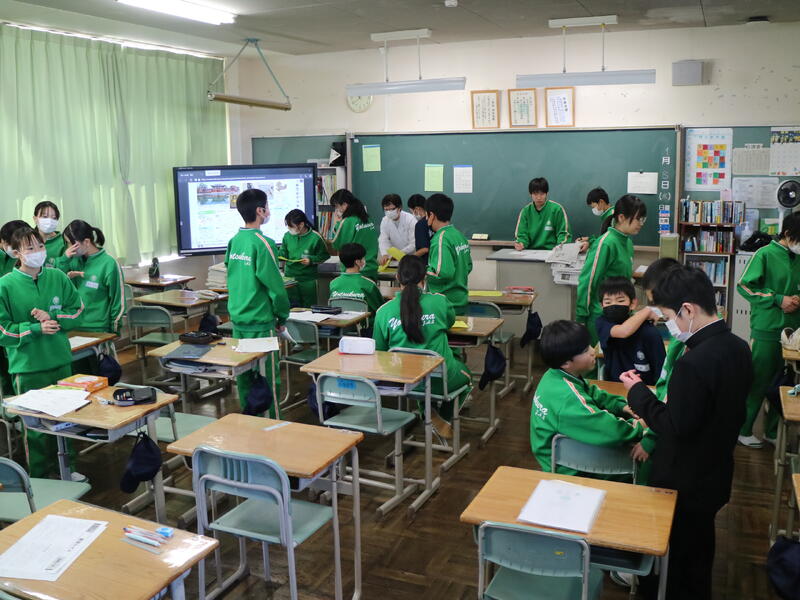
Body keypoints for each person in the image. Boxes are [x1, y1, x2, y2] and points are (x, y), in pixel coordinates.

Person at [621, 266, 752, 600]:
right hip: (715, 472)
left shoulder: (693, 363)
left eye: (669, 317)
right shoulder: (739, 347)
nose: (670, 325)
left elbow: (673, 425)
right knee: (699, 549)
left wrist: (638, 393)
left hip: (684, 480)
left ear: (688, 310)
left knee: (675, 556)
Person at [0, 226, 85, 479]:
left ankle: (68, 470)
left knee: (67, 419)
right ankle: (39, 476)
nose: (37, 251)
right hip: (28, 367)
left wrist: (53, 316)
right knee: (35, 427)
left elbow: (77, 310)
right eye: (30, 248)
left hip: (60, 361)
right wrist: (35, 329)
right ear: (16, 253)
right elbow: (2, 330)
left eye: (40, 246)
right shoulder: (5, 285)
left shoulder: (57, 277)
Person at [373, 255, 471, 437]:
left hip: (403, 381)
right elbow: (450, 322)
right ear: (424, 277)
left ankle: (426, 408)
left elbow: (379, 351)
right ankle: (443, 418)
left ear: (397, 277)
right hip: (440, 380)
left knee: (422, 373)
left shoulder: (383, 312)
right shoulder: (439, 302)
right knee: (466, 376)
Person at [530, 319, 644, 474]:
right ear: (566, 363)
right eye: (585, 350)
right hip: (570, 468)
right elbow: (611, 430)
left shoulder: (554, 375)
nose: (592, 351)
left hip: (567, 454)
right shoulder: (567, 399)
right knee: (646, 458)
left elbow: (591, 392)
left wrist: (622, 406)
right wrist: (639, 425)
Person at [736, 212, 800, 447]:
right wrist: (778, 299)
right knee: (758, 382)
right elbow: (744, 286)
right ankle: (743, 430)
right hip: (767, 328)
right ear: (788, 234)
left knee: (784, 385)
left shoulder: (798, 257)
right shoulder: (764, 254)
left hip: (794, 334)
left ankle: (773, 432)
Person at [225, 188, 290, 416]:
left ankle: (249, 426)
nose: (269, 211)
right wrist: (282, 316)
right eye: (267, 207)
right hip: (261, 323)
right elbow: (276, 288)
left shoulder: (234, 242)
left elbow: (232, 275)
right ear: (261, 211)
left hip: (238, 321)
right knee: (267, 380)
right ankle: (272, 428)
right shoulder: (264, 243)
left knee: (244, 379)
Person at [634, 257, 683, 484]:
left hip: (664, 430)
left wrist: (650, 438)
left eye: (658, 303)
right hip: (660, 418)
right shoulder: (680, 332)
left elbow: (673, 396)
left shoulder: (686, 339)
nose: (659, 313)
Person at [576, 194, 647, 345]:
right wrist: (581, 317)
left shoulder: (627, 242)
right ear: (621, 217)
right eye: (638, 219)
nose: (641, 224)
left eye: (643, 219)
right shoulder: (606, 243)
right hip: (601, 315)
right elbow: (588, 282)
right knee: (596, 358)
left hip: (621, 313)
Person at [596, 277, 665, 385]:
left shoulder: (649, 332)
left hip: (645, 388)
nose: (614, 305)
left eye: (620, 300)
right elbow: (624, 331)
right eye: (608, 302)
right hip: (614, 385)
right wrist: (647, 310)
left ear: (632, 303)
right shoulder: (602, 323)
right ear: (602, 305)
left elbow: (660, 370)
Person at [61, 220, 125, 334]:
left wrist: (114, 331)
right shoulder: (71, 260)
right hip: (72, 327)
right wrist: (64, 259)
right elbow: (53, 280)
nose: (68, 248)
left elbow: (117, 302)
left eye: (71, 243)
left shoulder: (109, 264)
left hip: (98, 329)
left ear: (86, 242)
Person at [425, 193, 473, 313]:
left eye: (426, 215)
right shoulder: (458, 235)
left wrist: (422, 272)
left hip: (444, 304)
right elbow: (468, 266)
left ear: (431, 215)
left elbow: (442, 273)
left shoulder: (440, 239)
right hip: (461, 300)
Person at [278, 209, 330, 308]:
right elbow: (283, 252)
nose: (289, 229)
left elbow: (324, 256)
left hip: (308, 279)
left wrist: (311, 260)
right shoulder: (287, 236)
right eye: (288, 226)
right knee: (292, 307)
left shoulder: (315, 237)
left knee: (308, 308)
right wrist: (279, 256)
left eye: (291, 226)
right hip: (290, 279)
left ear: (301, 225)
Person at [330, 189, 379, 280]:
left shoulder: (347, 221)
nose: (336, 210)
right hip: (371, 268)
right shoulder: (367, 219)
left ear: (345, 205)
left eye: (337, 206)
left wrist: (337, 223)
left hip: (354, 271)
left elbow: (336, 244)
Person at [514, 177, 570, 250]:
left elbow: (563, 234)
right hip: (530, 252)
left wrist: (560, 247)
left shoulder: (557, 209)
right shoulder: (525, 211)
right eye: (535, 194)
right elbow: (522, 235)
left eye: (542, 194)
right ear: (530, 194)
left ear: (547, 193)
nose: (539, 197)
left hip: (552, 251)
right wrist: (521, 243)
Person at [329, 243, 384, 317]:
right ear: (358, 262)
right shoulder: (369, 285)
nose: (364, 260)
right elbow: (381, 308)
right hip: (364, 323)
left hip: (340, 322)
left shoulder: (333, 283)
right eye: (363, 258)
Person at [378, 193, 416, 265]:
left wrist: (399, 253)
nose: (389, 212)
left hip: (410, 257)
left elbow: (414, 243)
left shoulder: (410, 219)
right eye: (386, 210)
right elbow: (383, 239)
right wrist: (385, 254)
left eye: (392, 209)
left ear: (399, 207)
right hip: (393, 259)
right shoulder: (385, 220)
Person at [577, 187, 614, 251]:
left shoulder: (612, 217)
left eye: (594, 207)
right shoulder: (608, 214)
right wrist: (589, 239)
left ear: (601, 202)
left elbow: (608, 242)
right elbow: (604, 236)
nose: (594, 210)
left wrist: (589, 243)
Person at [32, 201, 66, 269]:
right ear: (35, 219)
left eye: (54, 218)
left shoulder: (64, 241)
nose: (49, 221)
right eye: (45, 217)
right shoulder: (28, 240)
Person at [408, 194, 432, 258]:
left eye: (411, 211)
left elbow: (425, 249)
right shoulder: (434, 220)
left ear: (416, 209)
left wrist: (410, 258)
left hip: (426, 261)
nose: (412, 214)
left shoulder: (420, 225)